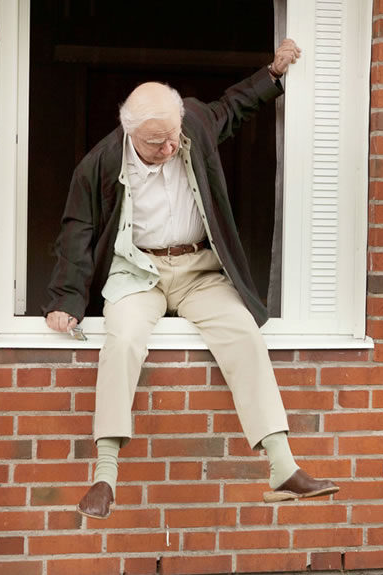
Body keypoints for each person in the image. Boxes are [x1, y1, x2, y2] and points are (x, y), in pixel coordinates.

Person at [44, 39, 338, 519]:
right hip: (138, 270)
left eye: (172, 135)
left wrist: (273, 74)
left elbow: (232, 107)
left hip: (200, 270)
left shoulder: (193, 126)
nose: (169, 146)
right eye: (156, 142)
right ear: (129, 134)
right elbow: (76, 231)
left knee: (244, 332)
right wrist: (65, 299)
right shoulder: (99, 163)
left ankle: (283, 467)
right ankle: (105, 475)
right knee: (121, 340)